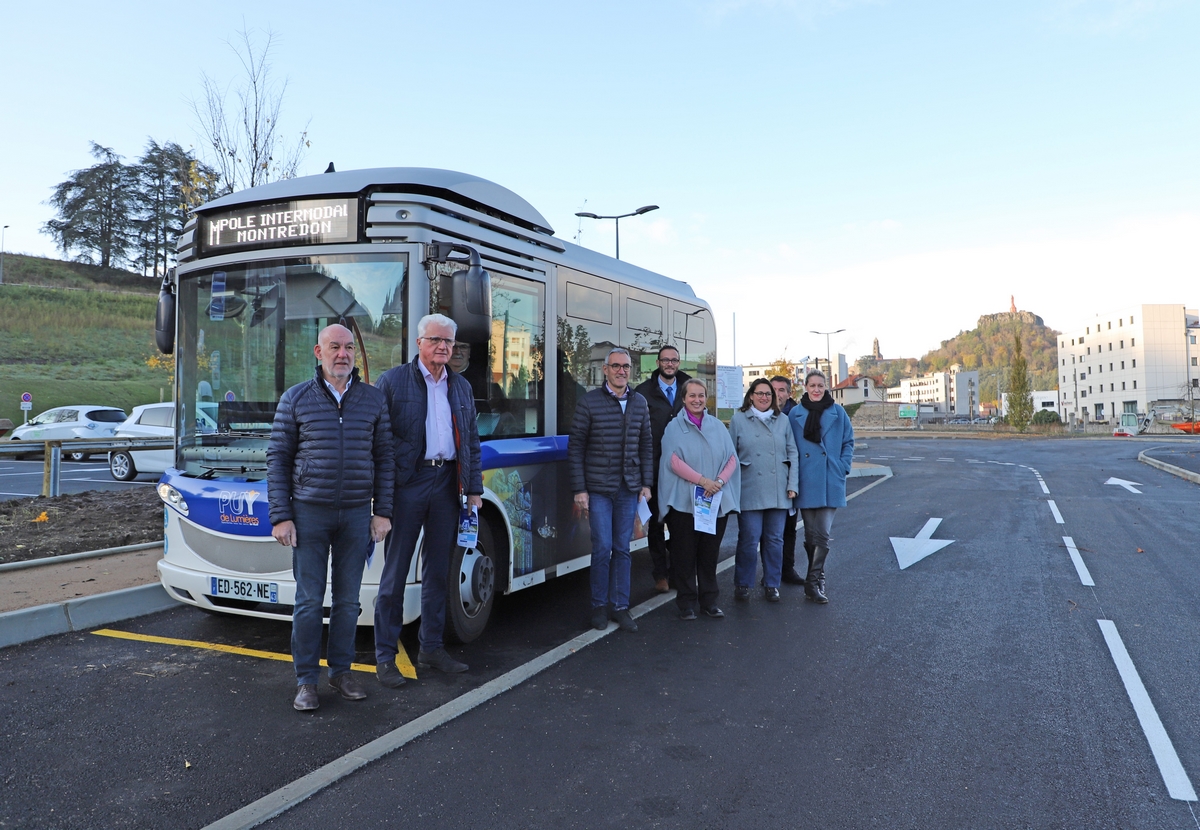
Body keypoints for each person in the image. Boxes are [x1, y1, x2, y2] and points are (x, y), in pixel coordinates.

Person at [267, 324, 394, 712]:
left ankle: (341, 672)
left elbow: (385, 458)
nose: (343, 354)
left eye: (349, 348)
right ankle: (307, 681)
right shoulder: (296, 399)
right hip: (308, 513)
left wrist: (382, 512)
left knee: (348, 601)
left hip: (357, 513)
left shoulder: (372, 400)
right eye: (335, 347)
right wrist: (281, 516)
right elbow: (278, 458)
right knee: (308, 601)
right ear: (318, 353)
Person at [374, 313, 483, 684]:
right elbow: (379, 444)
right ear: (418, 342)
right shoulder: (392, 382)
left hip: (447, 483)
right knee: (395, 573)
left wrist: (474, 490)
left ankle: (431, 649)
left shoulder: (461, 387)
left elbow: (470, 441)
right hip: (409, 483)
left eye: (449, 342)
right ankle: (386, 657)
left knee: (439, 571)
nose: (443, 347)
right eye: (436, 340)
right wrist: (382, 499)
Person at [568, 347, 653, 633]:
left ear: (631, 370)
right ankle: (598, 607)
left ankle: (620, 606)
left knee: (623, 549)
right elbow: (576, 446)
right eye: (615, 366)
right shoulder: (589, 402)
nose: (621, 371)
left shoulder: (639, 402)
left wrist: (646, 483)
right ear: (605, 370)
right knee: (602, 548)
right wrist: (580, 489)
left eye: (626, 366)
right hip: (599, 490)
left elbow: (646, 445)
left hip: (628, 488)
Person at [657, 378, 739, 620]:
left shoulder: (717, 426)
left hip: (714, 503)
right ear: (683, 399)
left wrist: (720, 483)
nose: (697, 400)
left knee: (709, 555)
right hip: (685, 504)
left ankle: (709, 602)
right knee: (684, 556)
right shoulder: (674, 427)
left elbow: (732, 458)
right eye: (692, 395)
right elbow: (673, 462)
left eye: (701, 395)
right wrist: (704, 482)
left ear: (706, 398)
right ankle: (686, 603)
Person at [728, 378, 798, 602]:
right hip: (749, 487)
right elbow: (730, 455)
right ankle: (743, 583)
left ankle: (772, 584)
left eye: (768, 394)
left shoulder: (783, 420)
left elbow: (793, 453)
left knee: (775, 540)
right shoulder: (738, 420)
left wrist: (793, 485)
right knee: (749, 539)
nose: (764, 397)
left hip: (778, 488)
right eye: (759, 393)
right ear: (750, 395)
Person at [788, 370, 855, 604]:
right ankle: (818, 577)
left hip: (830, 477)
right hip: (806, 479)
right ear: (805, 387)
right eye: (812, 385)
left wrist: (843, 466)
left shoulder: (838, 412)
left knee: (823, 533)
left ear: (826, 387)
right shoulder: (795, 414)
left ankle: (812, 582)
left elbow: (848, 441)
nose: (816, 389)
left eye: (820, 385)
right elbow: (790, 447)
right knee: (809, 533)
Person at [633, 345, 689, 593]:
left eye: (673, 360)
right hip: (654, 469)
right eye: (665, 360)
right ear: (657, 362)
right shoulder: (643, 393)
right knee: (656, 524)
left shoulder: (689, 388)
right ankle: (661, 574)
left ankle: (678, 573)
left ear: (678, 362)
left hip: (684, 471)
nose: (669, 364)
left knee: (680, 524)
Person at [771, 375, 805, 585]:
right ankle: (770, 572)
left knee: (788, 529)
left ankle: (787, 569)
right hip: (765, 481)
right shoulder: (759, 413)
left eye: (781, 390)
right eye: (773, 389)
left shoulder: (796, 416)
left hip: (789, 480)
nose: (777, 394)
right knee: (768, 532)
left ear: (789, 393)